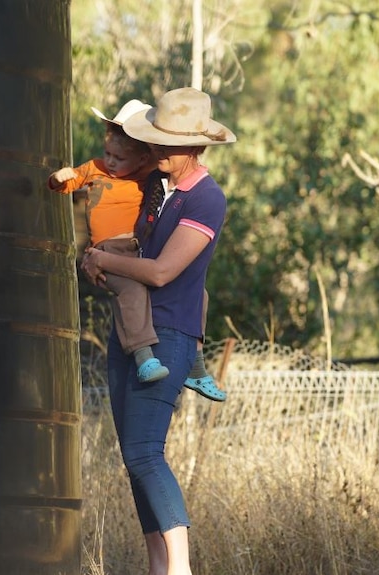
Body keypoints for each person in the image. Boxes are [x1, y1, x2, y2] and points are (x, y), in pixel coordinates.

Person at [81, 87, 236, 575]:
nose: (154, 150)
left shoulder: (206, 199)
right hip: (131, 331)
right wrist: (101, 261)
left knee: (147, 452)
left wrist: (101, 257)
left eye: (165, 143)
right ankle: (158, 565)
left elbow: (165, 270)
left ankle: (180, 568)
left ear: (195, 147)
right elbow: (138, 254)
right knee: (133, 457)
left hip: (169, 331)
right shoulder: (156, 187)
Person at [50, 99, 226, 400]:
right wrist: (60, 179)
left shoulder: (166, 183)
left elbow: (161, 271)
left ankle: (195, 363)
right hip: (110, 250)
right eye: (109, 153)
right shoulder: (109, 171)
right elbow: (69, 184)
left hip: (128, 254)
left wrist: (98, 258)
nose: (113, 161)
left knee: (200, 294)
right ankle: (143, 355)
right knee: (131, 292)